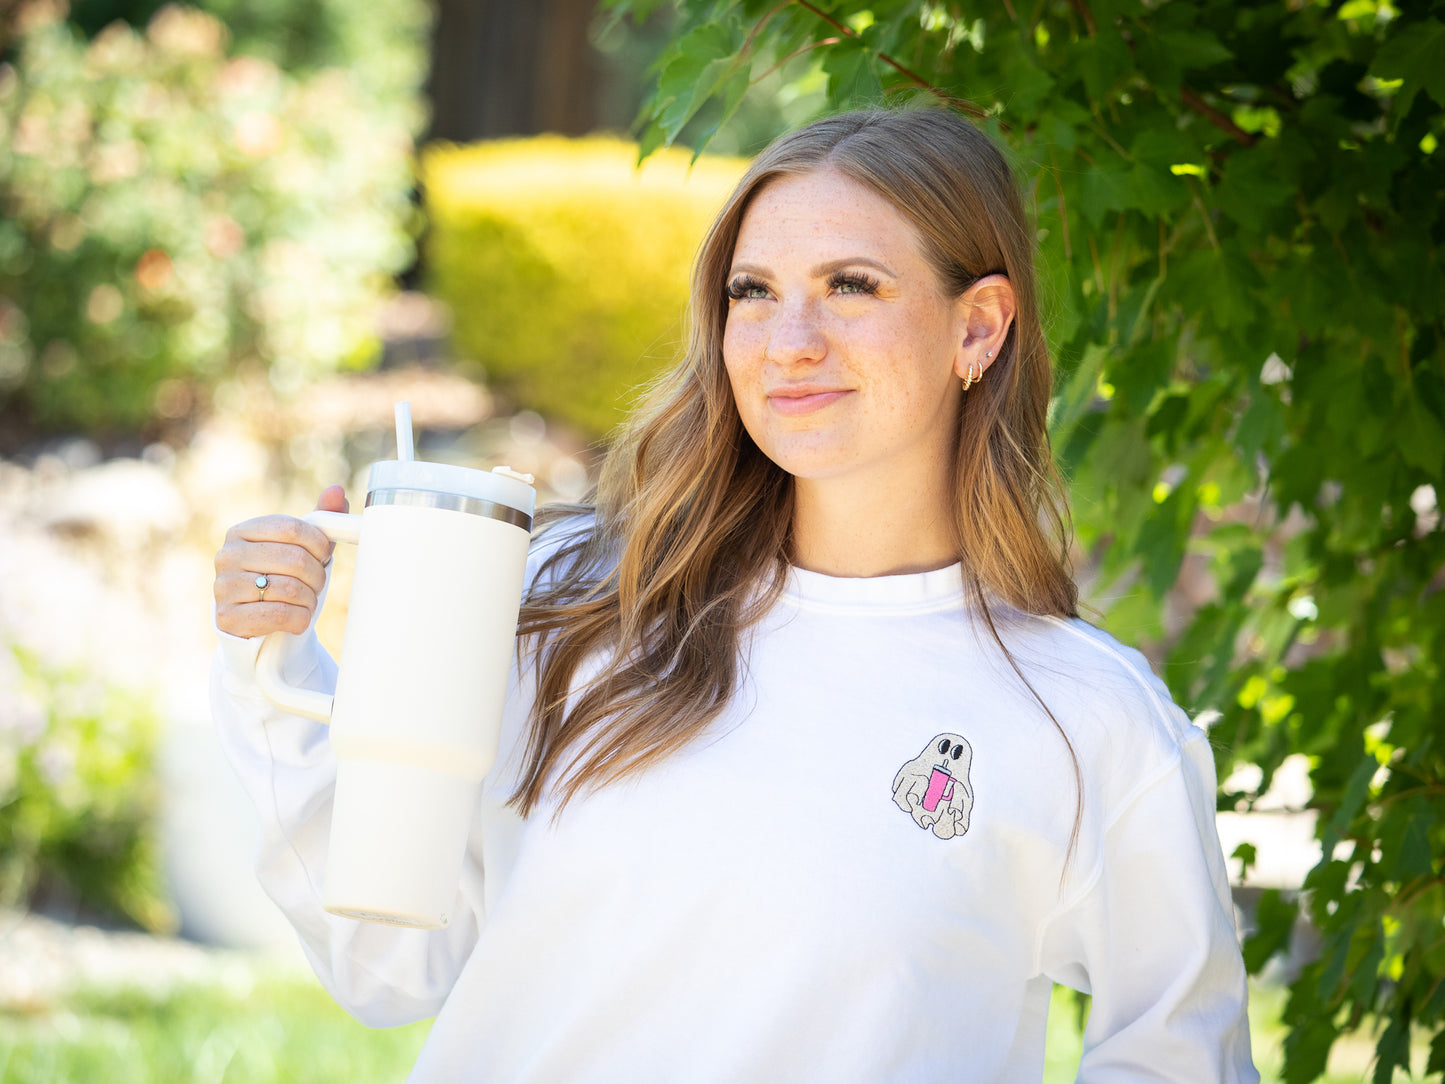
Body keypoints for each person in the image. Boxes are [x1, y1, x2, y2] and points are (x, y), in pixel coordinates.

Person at [211, 108, 1258, 1082]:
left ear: (976, 329)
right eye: (750, 292)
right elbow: (386, 960)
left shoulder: (1084, 720)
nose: (785, 338)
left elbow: (1176, 1054)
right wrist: (276, 665)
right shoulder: (568, 603)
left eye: (851, 284)